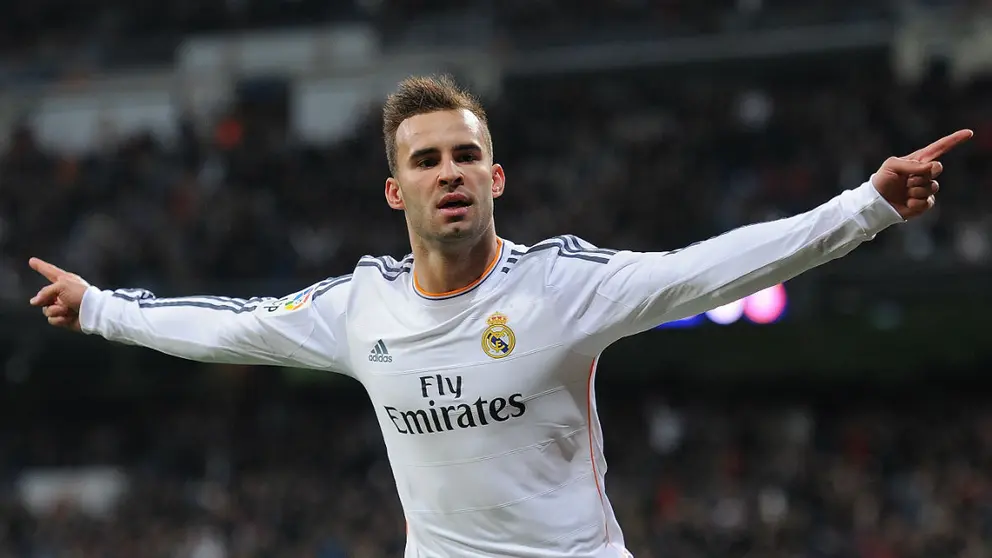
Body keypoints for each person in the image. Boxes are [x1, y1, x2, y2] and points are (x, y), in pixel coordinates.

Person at [28, 74, 972, 557]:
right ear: (395, 191)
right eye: (426, 160)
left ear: (496, 177)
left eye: (465, 156)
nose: (449, 173)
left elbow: (707, 270)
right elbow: (230, 326)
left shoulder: (560, 289)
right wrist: (101, 307)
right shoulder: (361, 309)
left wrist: (867, 206)